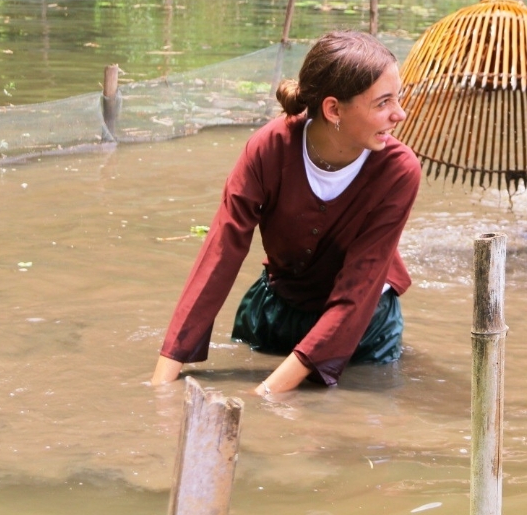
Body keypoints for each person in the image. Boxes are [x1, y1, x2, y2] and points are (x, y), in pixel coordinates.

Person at [151, 31, 421, 395]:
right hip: (276, 310)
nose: (400, 114)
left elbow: (359, 289)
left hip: (364, 328)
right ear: (333, 110)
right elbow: (220, 254)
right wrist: (162, 382)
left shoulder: (398, 171)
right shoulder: (269, 148)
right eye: (383, 103)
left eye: (397, 98)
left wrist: (266, 394)